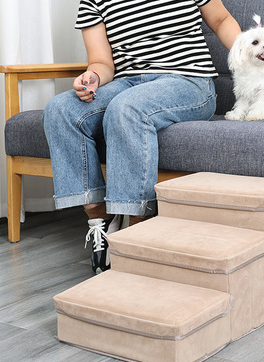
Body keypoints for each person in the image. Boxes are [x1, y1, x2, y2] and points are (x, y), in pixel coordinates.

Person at [43, 0, 241, 274]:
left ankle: (137, 229)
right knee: (60, 110)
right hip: (127, 83)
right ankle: (100, 220)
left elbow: (221, 20)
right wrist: (93, 77)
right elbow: (102, 61)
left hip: (187, 80)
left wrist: (254, 60)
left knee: (125, 108)